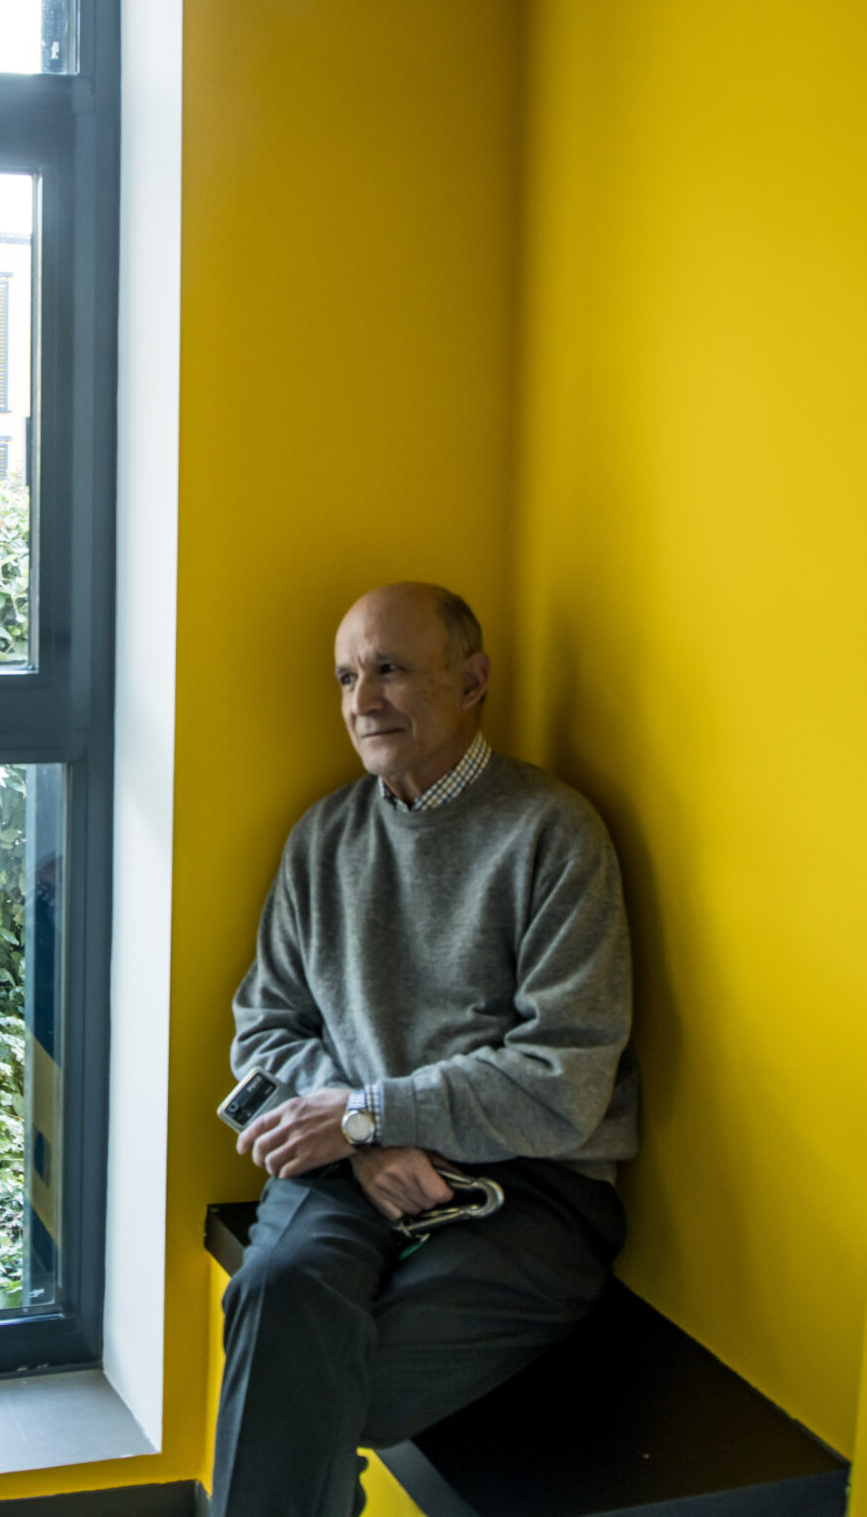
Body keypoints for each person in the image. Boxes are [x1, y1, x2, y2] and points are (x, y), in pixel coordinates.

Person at [213, 582, 638, 1517]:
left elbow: (564, 1080)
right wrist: (361, 1139)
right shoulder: (321, 840)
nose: (363, 700)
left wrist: (370, 1113)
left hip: (531, 1187)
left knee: (298, 1386)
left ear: (474, 681)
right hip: (345, 1168)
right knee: (278, 1292)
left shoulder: (554, 833)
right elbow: (263, 1033)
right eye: (346, 677)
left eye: (391, 669)